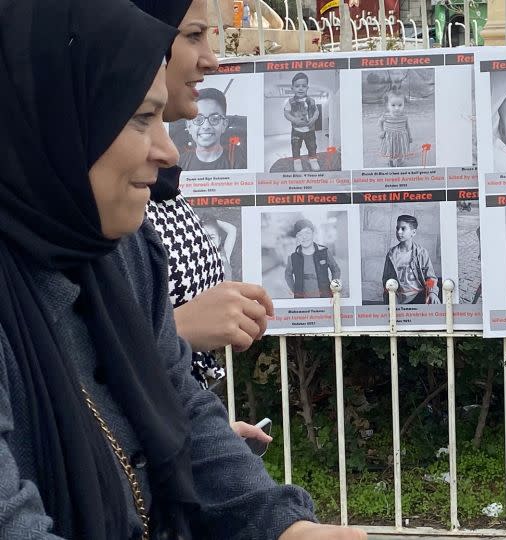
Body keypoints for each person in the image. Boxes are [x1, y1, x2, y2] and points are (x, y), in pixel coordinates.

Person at [0, 1, 364, 538]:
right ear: (61, 120)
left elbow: (180, 403)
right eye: (139, 118)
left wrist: (282, 526)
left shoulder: (120, 252)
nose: (169, 151)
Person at [139, 0, 277, 402]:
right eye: (194, 35)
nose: (212, 60)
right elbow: (71, 355)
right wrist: (178, 328)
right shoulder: (101, 187)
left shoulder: (155, 181)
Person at [178, 87, 247, 170]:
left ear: (224, 124)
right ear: (189, 126)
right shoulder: (179, 164)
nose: (206, 126)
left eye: (214, 118)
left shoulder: (239, 162)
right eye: (198, 119)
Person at [382, 215, 440, 304]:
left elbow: (430, 277)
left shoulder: (421, 253)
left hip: (419, 295)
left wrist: (432, 292)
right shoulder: (391, 255)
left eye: (403, 228)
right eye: (397, 228)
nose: (399, 232)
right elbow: (386, 279)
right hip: (400, 298)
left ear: (413, 232)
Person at [284, 219, 342, 298]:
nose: (304, 237)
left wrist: (334, 287)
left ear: (313, 234)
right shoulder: (292, 258)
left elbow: (335, 269)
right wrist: (295, 290)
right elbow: (288, 275)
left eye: (307, 233)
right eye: (300, 234)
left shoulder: (324, 252)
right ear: (297, 237)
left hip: (324, 296)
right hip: (303, 300)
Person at [285, 72, 321, 172]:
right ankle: (296, 161)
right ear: (292, 88)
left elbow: (316, 111)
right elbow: (286, 113)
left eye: (303, 86)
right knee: (295, 146)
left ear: (307, 88)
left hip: (310, 130)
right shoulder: (290, 102)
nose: (300, 88)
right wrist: (294, 119)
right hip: (296, 130)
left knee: (312, 145)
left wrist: (314, 118)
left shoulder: (312, 100)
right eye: (297, 86)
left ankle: (313, 159)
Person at [378, 90, 413, 167]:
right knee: (390, 150)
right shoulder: (385, 116)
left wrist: (410, 136)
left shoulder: (404, 117)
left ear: (404, 105)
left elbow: (407, 127)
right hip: (389, 137)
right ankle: (390, 161)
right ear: (388, 105)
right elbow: (380, 122)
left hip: (401, 138)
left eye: (400, 105)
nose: (397, 108)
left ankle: (399, 161)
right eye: (393, 105)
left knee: (400, 150)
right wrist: (381, 131)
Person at [200, 217, 237, 281]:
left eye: (212, 237)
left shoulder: (225, 254)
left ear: (219, 239)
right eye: (204, 238)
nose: (209, 242)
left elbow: (232, 229)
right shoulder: (198, 260)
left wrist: (212, 220)